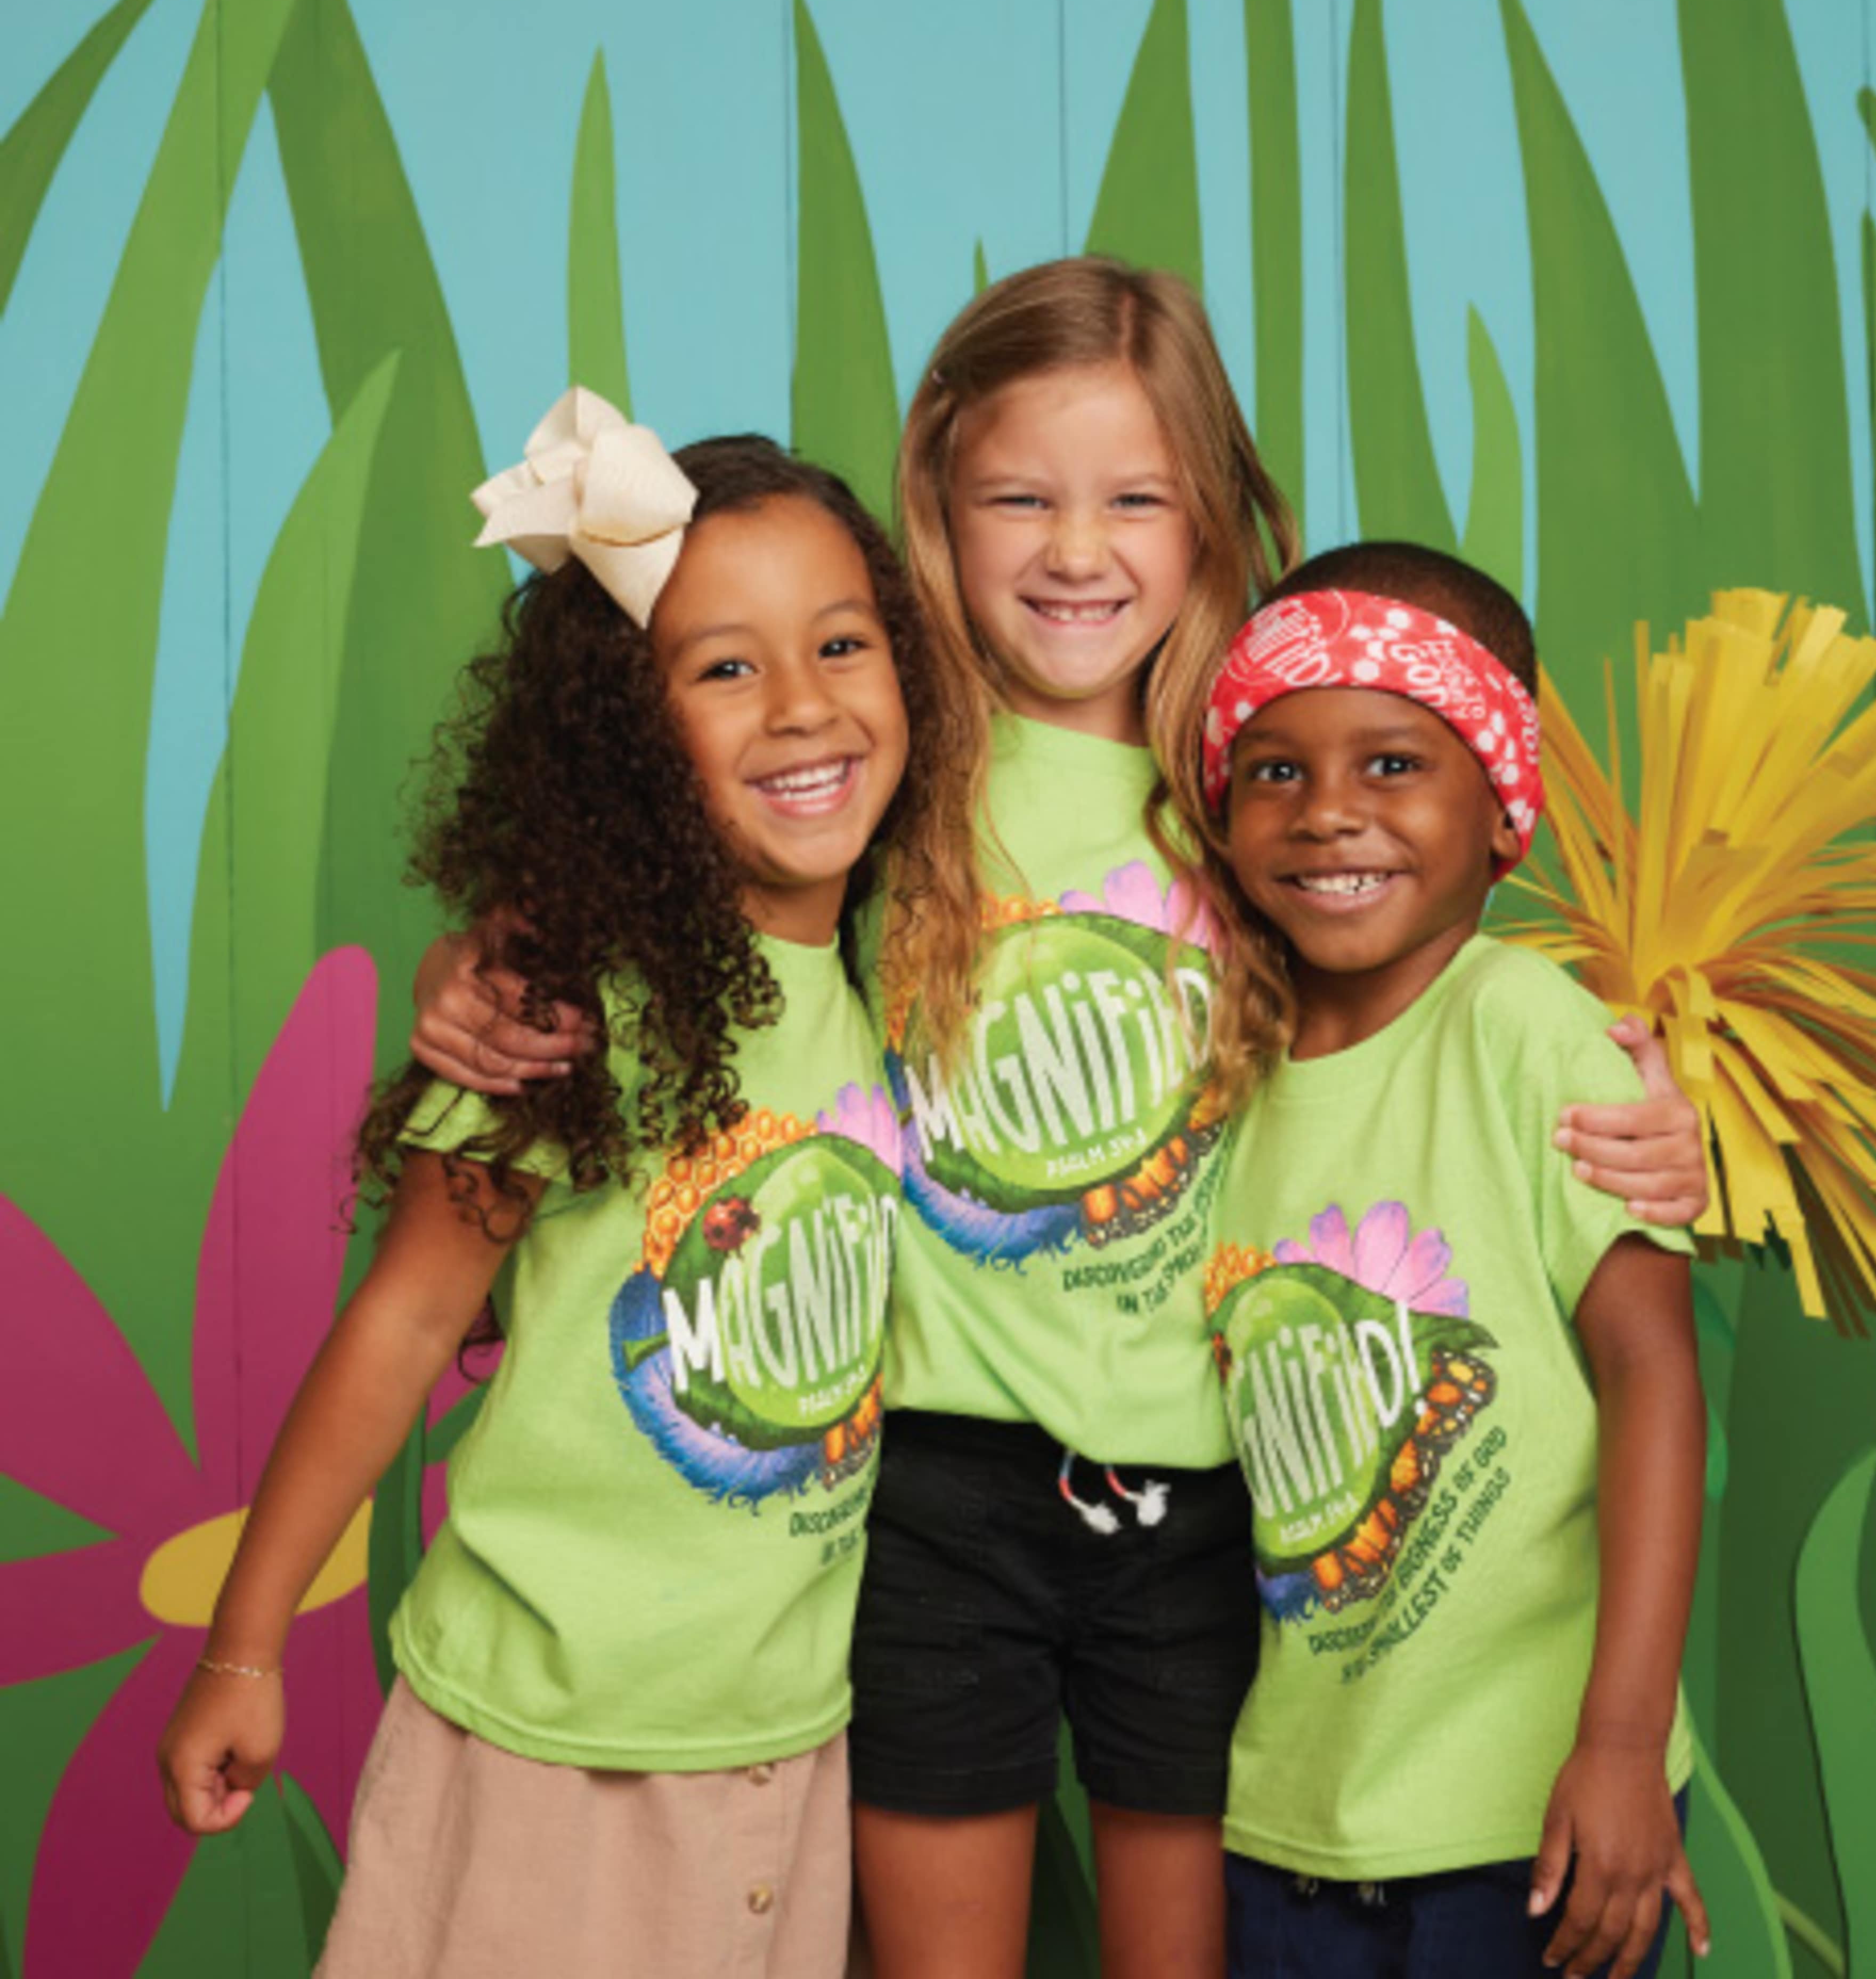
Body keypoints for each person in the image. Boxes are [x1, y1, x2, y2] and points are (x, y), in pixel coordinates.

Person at [406, 260, 1710, 1979]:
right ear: (939, 500)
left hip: (1202, 1504)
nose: (1076, 549)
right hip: (936, 1501)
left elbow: (1414, 990)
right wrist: (489, 956)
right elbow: (687, 877)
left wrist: (1661, 1125)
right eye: (1022, 496)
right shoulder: (894, 762)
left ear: (1206, 522)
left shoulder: (1243, 782)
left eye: (1135, 500)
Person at [156, 402, 981, 1979]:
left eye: (843, 645)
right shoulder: (562, 1003)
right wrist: (244, 1648)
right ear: (627, 732)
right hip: (548, 1737)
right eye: (726, 668)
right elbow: (402, 1325)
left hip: (788, 1736)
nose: (803, 709)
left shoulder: (903, 970)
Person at [1188, 541, 1711, 1979]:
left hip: (1529, 1817)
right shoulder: (1225, 1078)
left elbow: (1655, 1378)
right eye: (1276, 771)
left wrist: (1618, 1743)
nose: (1329, 813)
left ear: (1503, 812)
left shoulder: (1529, 1030)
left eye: (1395, 764)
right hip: (1292, 1822)